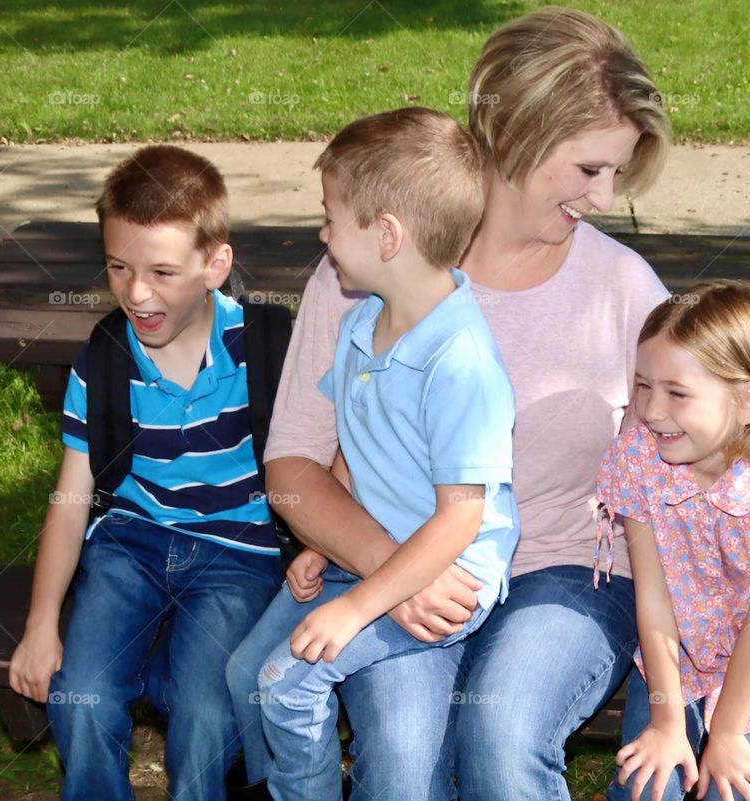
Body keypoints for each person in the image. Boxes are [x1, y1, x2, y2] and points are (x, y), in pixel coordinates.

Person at [228, 9, 750, 800]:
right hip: (401, 571)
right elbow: (291, 464)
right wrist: (395, 568)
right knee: (400, 764)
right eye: (589, 168)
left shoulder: (618, 286)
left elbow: (734, 427)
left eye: (617, 173)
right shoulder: (368, 271)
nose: (605, 195)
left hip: (571, 572)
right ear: (516, 132)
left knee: (503, 730)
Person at [253, 106, 519, 801]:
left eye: (332, 217)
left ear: (387, 235)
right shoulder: (364, 319)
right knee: (257, 675)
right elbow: (356, 439)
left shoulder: (461, 361)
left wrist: (355, 607)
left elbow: (462, 517)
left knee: (286, 681)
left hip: (447, 580)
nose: (322, 233)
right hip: (385, 551)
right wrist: (324, 539)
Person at [8, 145, 282, 801]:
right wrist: (41, 625)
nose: (136, 291)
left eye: (162, 270)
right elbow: (72, 499)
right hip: (128, 546)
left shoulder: (268, 347)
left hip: (238, 553)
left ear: (217, 264)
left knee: (207, 713)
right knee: (80, 694)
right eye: (118, 266)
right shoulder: (102, 361)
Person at [598, 281, 750, 801]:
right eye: (642, 385)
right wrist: (665, 722)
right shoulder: (637, 457)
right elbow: (653, 599)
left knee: (731, 791)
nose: (651, 410)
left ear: (749, 399)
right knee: (645, 789)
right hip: (674, 656)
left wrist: (726, 734)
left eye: (677, 393)